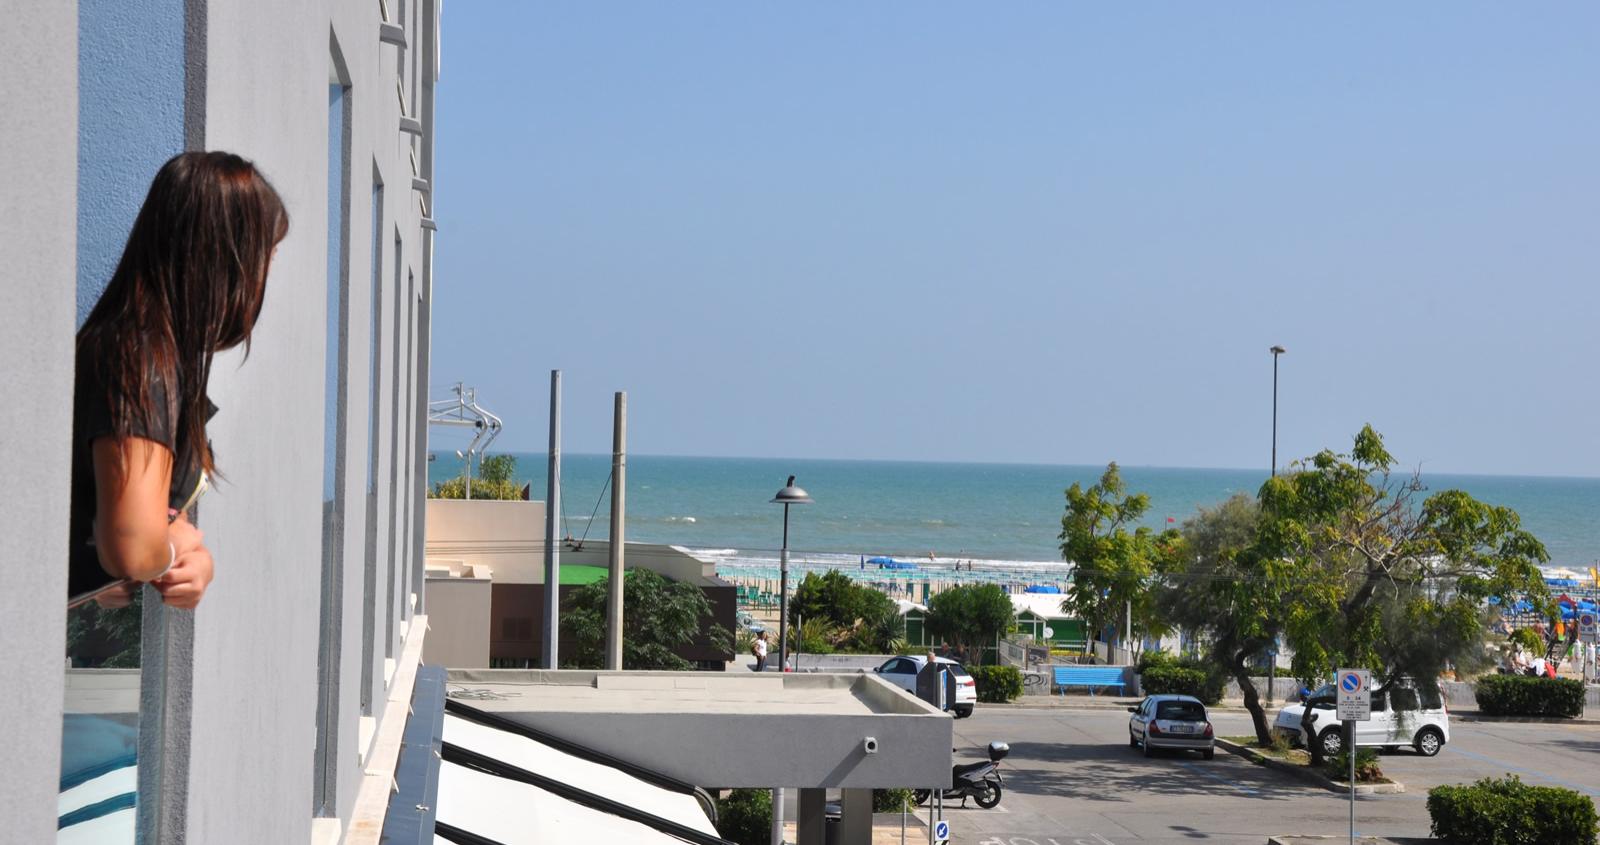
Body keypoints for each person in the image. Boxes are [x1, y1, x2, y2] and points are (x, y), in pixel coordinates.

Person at [70, 151, 289, 610]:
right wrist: (174, 549)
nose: (266, 272)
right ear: (226, 259)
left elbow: (143, 532)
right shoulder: (141, 360)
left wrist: (190, 558)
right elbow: (131, 547)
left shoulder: (148, 353)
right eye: (265, 254)